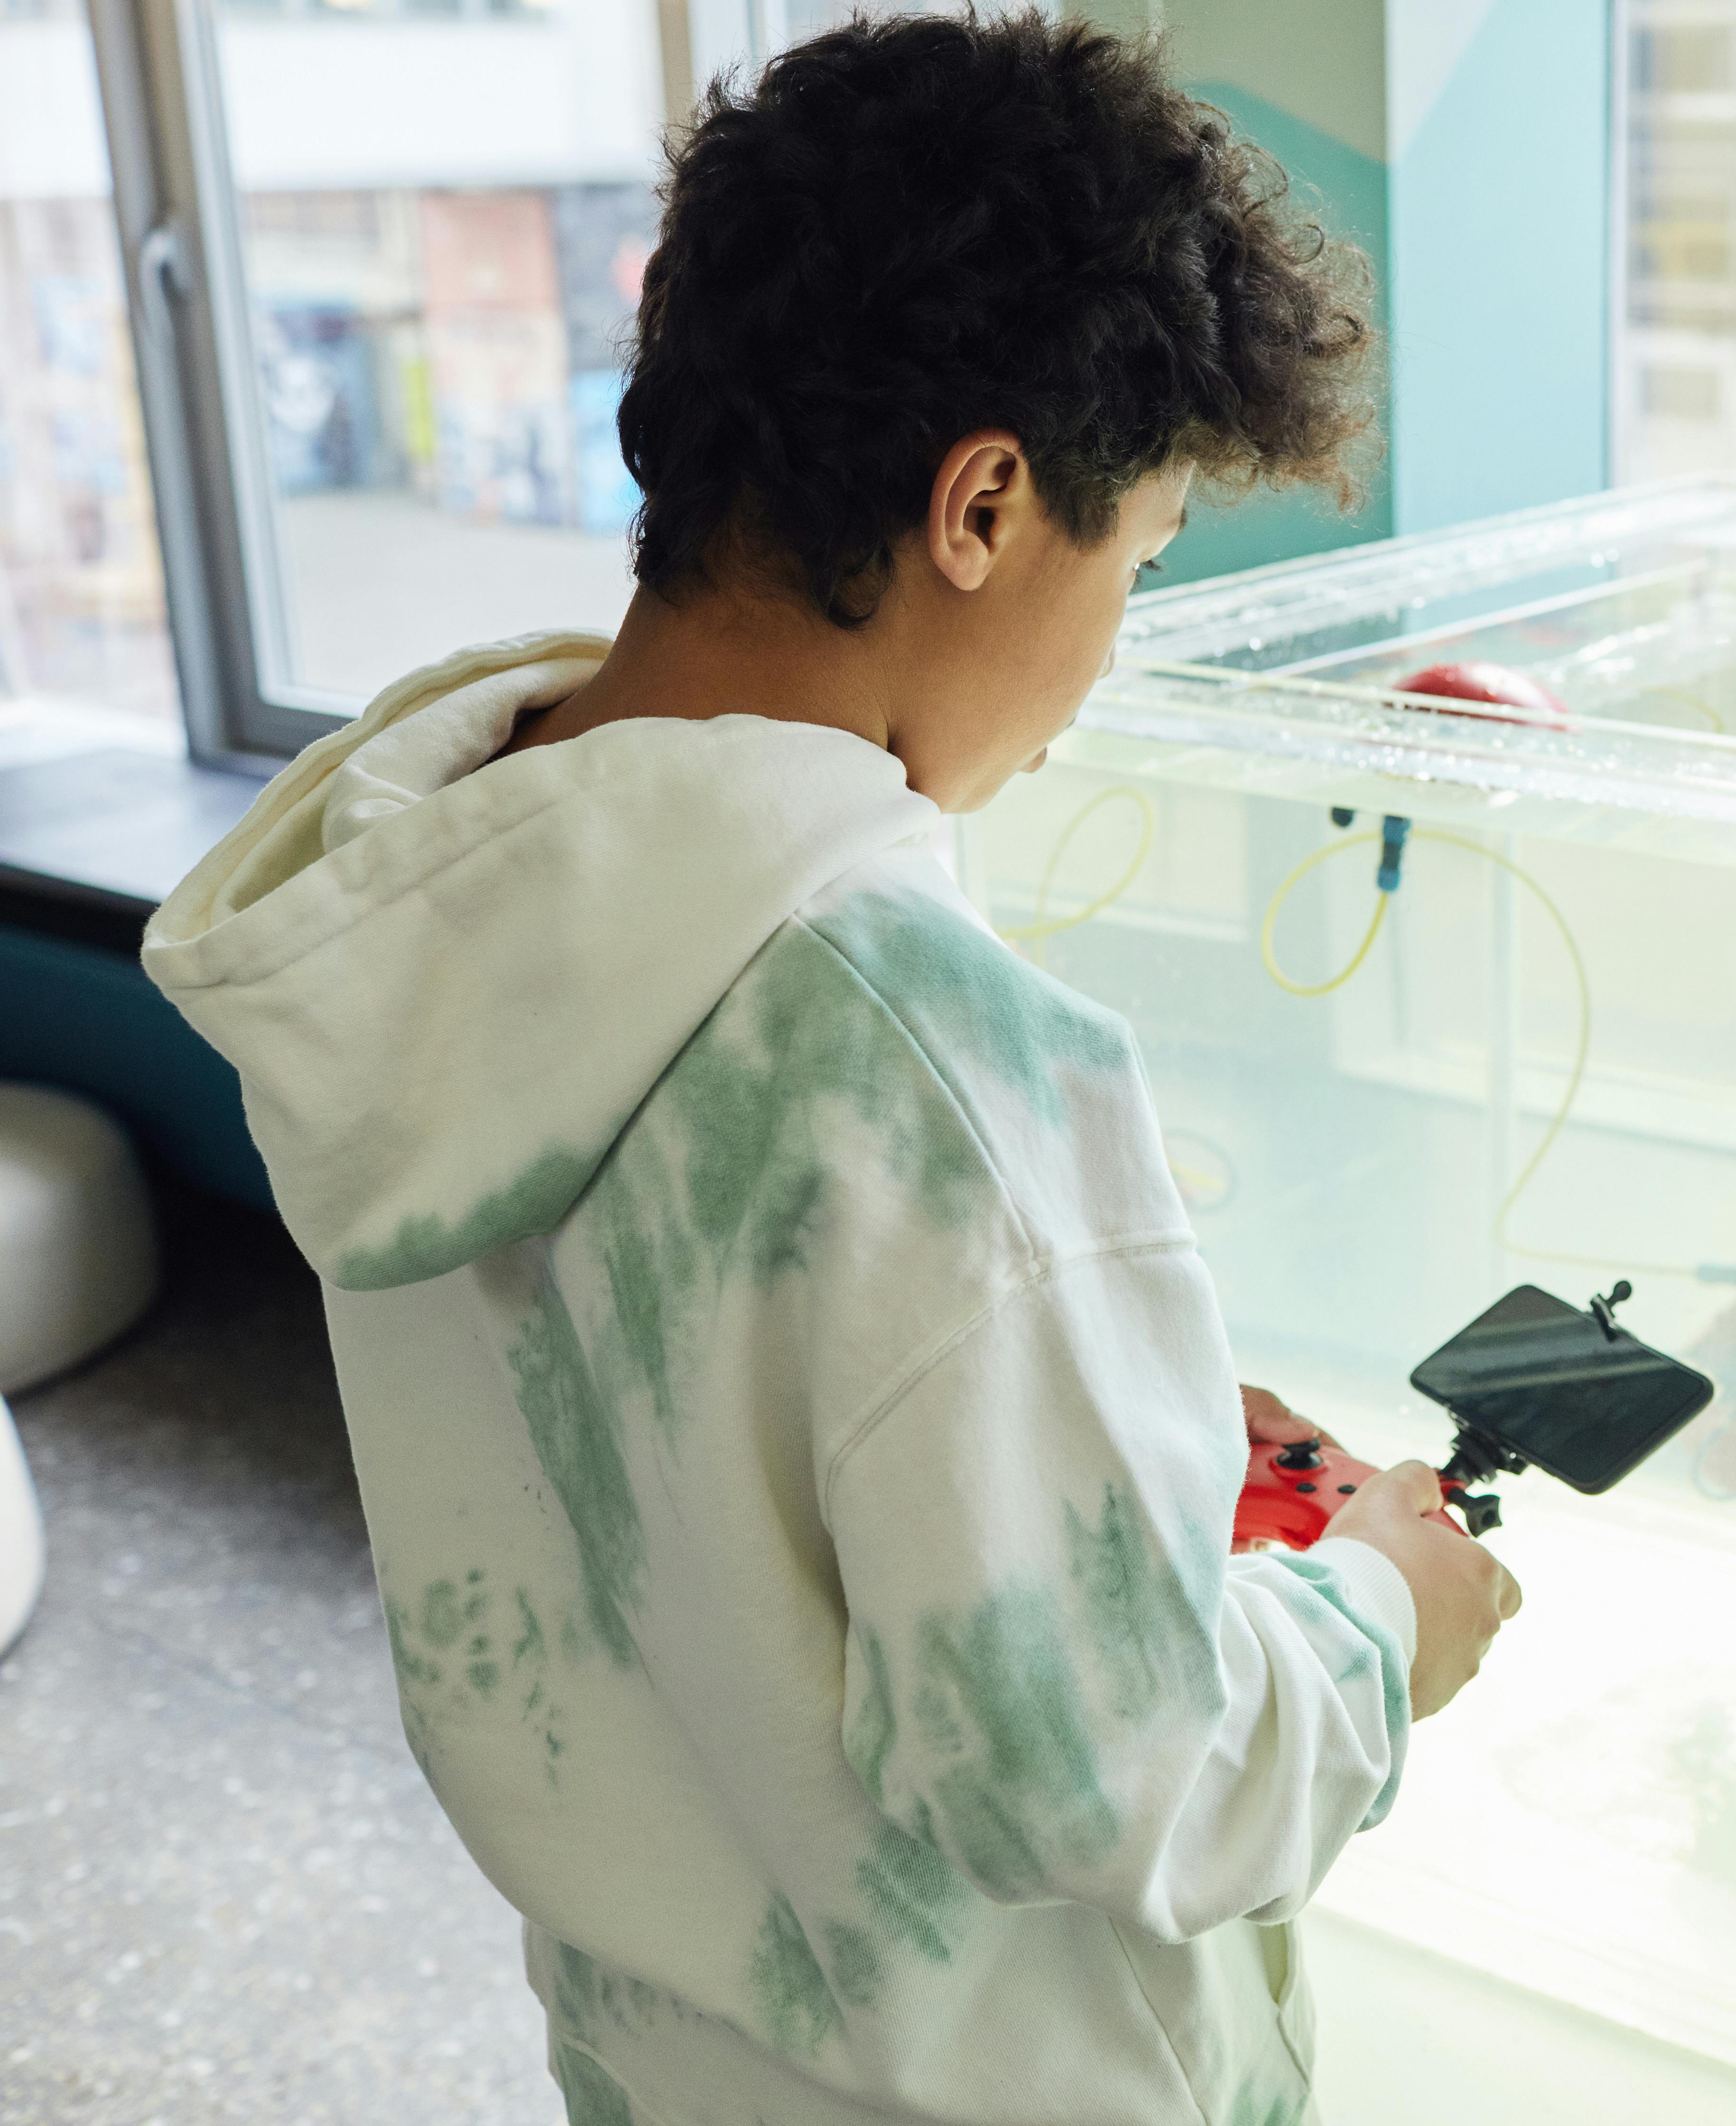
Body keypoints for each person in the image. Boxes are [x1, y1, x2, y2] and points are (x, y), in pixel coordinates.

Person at [141, 17, 1519, 2125]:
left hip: (652, 2057)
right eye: (1140, 557)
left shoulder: (434, 911)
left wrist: (1080, 1414)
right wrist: (1380, 1623)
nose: (1107, 656)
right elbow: (1107, 1776)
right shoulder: (926, 1055)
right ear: (987, 503)